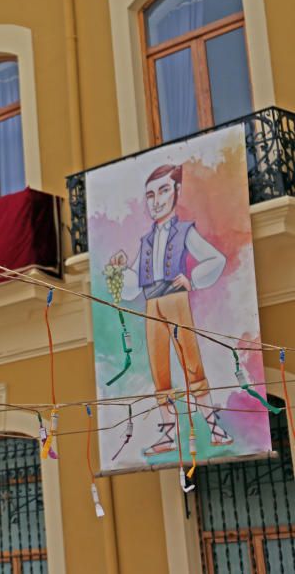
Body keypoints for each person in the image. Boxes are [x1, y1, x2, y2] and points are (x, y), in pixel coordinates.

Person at [108, 163, 231, 456]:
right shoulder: (146, 240)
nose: (156, 201)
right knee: (159, 369)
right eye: (150, 195)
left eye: (163, 191)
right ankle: (168, 433)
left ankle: (214, 426)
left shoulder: (184, 232)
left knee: (191, 363)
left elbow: (215, 260)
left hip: (175, 300)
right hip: (152, 304)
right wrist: (119, 271)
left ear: (175, 192)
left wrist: (193, 280)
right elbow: (134, 285)